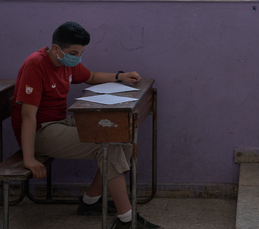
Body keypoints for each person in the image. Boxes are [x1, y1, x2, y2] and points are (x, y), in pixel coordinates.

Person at [12, 21, 162, 228]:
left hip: (60, 122)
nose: (78, 57)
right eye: (74, 52)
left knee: (121, 138)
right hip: (41, 131)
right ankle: (127, 220)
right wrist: (29, 158)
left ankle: (90, 202)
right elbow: (28, 116)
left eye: (81, 53)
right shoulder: (35, 65)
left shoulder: (66, 62)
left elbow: (90, 76)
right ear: (56, 48)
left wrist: (120, 76)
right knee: (106, 145)